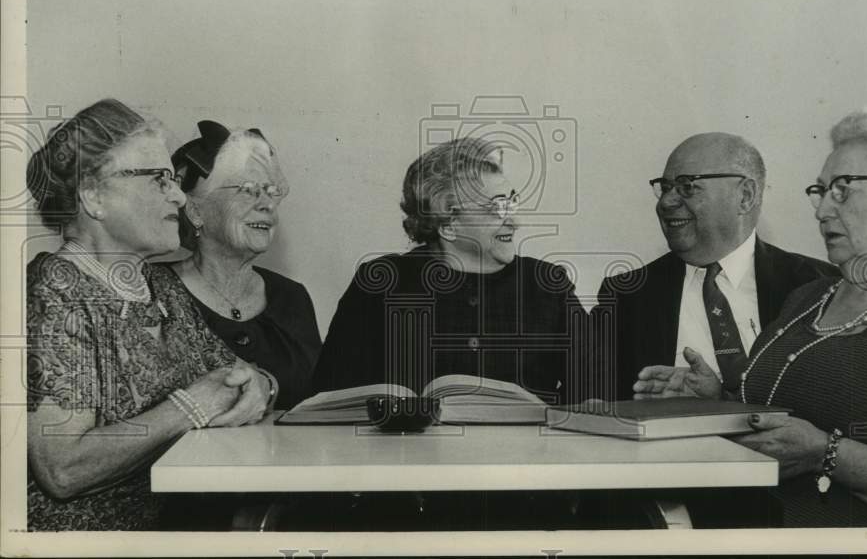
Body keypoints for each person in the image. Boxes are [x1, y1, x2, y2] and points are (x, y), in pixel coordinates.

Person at [636, 103, 867, 527]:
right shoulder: (807, 298)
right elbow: (784, 417)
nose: (822, 209)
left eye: (843, 189)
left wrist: (826, 453)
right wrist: (718, 401)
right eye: (821, 191)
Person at [25, 99, 271, 531]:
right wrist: (191, 406)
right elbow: (63, 469)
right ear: (93, 196)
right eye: (158, 179)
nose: (178, 195)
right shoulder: (55, 291)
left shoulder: (159, 285)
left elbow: (230, 376)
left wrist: (259, 384)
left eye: (173, 181)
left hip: (171, 530)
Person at [312, 136, 585, 405]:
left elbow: (596, 390)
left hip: (527, 449)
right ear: (448, 226)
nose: (514, 221)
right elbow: (328, 397)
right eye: (496, 208)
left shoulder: (547, 284)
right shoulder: (381, 282)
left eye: (512, 202)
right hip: (407, 449)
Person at [597, 132, 835, 402]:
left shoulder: (820, 287)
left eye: (687, 186)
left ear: (745, 196)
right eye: (665, 187)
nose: (666, 202)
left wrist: (721, 399)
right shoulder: (627, 296)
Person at [167, 121, 321, 410]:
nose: (267, 205)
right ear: (195, 210)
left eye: (271, 191)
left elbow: (319, 404)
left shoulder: (292, 297)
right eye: (247, 190)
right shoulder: (153, 293)